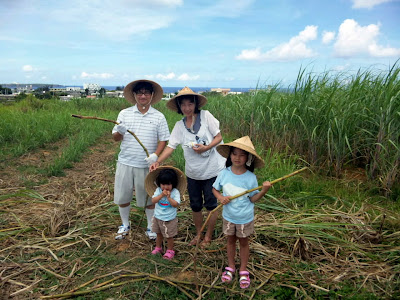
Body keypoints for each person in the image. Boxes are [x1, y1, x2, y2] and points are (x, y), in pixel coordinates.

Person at [149, 87, 226, 247]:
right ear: (179, 107)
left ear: (195, 104)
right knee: (196, 205)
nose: (187, 108)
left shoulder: (206, 116)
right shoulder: (179, 125)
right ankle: (199, 234)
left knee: (211, 205)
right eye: (183, 105)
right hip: (193, 173)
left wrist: (206, 147)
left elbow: (219, 137)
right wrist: (158, 161)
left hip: (212, 170)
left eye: (190, 104)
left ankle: (208, 237)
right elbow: (171, 146)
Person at [112, 79, 170, 240]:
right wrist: (120, 131)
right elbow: (116, 138)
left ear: (151, 95)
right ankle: (124, 225)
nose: (143, 96)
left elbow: (164, 139)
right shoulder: (124, 114)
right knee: (123, 196)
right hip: (125, 161)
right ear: (134, 95)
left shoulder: (159, 117)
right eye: (139, 92)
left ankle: (150, 227)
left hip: (147, 165)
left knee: (149, 197)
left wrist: (156, 156)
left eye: (146, 92)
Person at [212, 136, 271, 289]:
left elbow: (253, 199)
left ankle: (243, 269)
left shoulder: (250, 177)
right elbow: (214, 189)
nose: (237, 158)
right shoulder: (224, 173)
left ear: (248, 158)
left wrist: (263, 191)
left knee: (244, 243)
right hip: (228, 217)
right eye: (234, 154)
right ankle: (231, 266)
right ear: (230, 155)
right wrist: (220, 198)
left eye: (242, 154)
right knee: (230, 241)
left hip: (245, 218)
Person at [144, 166, 187, 260]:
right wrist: (161, 195)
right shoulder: (158, 190)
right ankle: (158, 248)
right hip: (158, 217)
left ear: (173, 184)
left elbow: (175, 204)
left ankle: (170, 250)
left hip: (169, 219)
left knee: (169, 236)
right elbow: (154, 200)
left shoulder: (175, 192)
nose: (165, 187)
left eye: (168, 184)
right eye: (163, 184)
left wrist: (169, 198)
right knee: (158, 234)